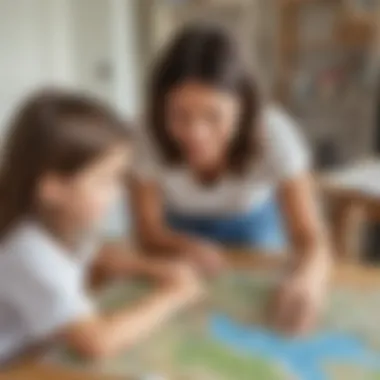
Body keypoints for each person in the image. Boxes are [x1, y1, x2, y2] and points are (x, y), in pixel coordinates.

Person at [131, 23, 331, 334]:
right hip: (174, 231)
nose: (196, 134)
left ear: (243, 109)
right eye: (179, 115)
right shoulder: (145, 131)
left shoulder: (275, 132)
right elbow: (147, 232)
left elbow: (310, 236)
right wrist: (181, 244)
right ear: (160, 107)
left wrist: (308, 279)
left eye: (214, 116)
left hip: (253, 225)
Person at [0, 90, 202, 365]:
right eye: (106, 180)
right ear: (53, 188)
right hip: (14, 363)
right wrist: (173, 297)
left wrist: (154, 269)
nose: (118, 193)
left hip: (37, 348)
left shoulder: (60, 220)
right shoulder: (28, 251)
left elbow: (99, 254)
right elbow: (97, 342)